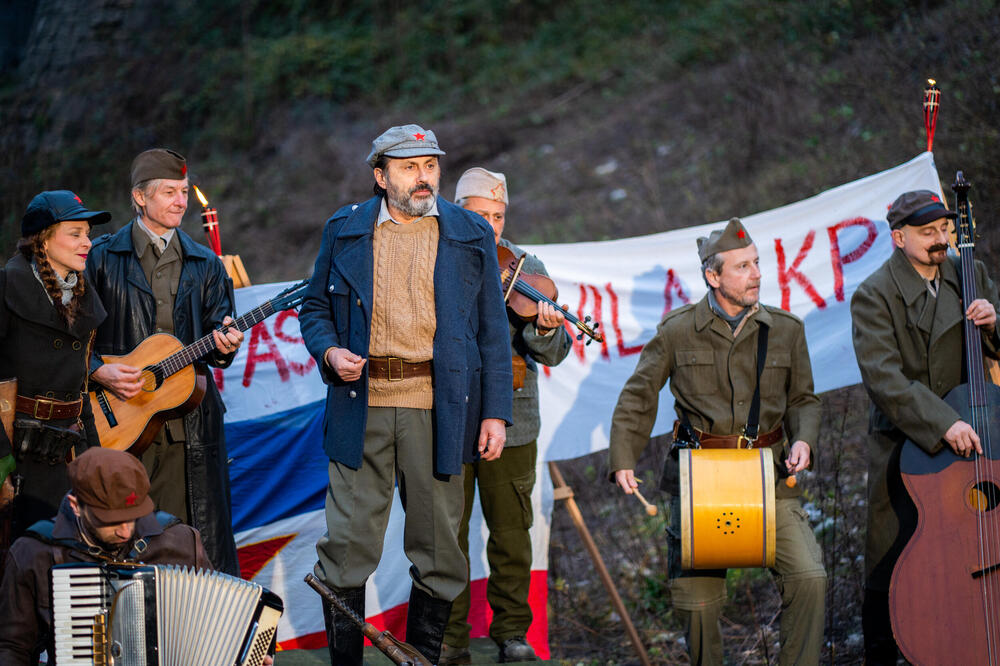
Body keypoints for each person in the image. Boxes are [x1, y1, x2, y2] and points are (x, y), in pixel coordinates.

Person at [298, 125, 513, 665]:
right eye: (409, 167)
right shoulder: (344, 230)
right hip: (360, 404)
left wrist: (495, 414)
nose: (424, 177)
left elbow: (492, 329)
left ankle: (420, 660)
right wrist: (328, 353)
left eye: (431, 165)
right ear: (381, 175)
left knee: (441, 553)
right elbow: (314, 309)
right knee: (347, 548)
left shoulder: (469, 232)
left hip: (440, 410)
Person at [609, 218, 827, 665]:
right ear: (713, 276)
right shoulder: (677, 330)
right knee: (698, 606)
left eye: (757, 263)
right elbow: (638, 395)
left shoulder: (785, 328)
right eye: (743, 266)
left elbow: (804, 398)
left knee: (809, 577)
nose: (757, 274)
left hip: (770, 474)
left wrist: (804, 439)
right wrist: (622, 458)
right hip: (700, 482)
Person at [850, 190, 1000, 664]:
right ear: (898, 237)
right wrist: (942, 422)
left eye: (945, 230)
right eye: (927, 232)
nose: (941, 241)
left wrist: (994, 324)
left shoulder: (967, 271)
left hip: (973, 430)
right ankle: (885, 652)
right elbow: (884, 379)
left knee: (973, 543)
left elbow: (993, 347)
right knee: (895, 553)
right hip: (907, 438)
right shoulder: (874, 294)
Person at [85, 148, 244, 575]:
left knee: (187, 546)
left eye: (184, 192)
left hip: (187, 427)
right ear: (140, 197)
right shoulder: (99, 258)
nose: (181, 201)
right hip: (116, 424)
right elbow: (73, 339)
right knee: (121, 543)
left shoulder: (207, 263)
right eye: (170, 192)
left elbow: (217, 339)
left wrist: (226, 346)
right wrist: (97, 369)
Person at [441, 167, 571, 664]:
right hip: (450, 415)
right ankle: (450, 638)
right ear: (457, 211)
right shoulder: (435, 255)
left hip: (513, 421)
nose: (491, 226)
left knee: (512, 534)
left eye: (498, 216)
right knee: (447, 534)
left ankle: (512, 633)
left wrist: (543, 328)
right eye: (481, 215)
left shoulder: (526, 265)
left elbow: (554, 352)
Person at [0, 447, 211, 664]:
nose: (125, 531)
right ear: (76, 506)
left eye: (132, 517)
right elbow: (12, 648)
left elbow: (218, 625)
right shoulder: (35, 553)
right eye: (110, 520)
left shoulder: (180, 541)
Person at [1, 191, 109, 543]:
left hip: (67, 456)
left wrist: (95, 465)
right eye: (75, 233)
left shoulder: (84, 297)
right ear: (42, 241)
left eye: (88, 234)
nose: (87, 243)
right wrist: (2, 465)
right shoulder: (6, 287)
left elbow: (81, 394)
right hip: (16, 462)